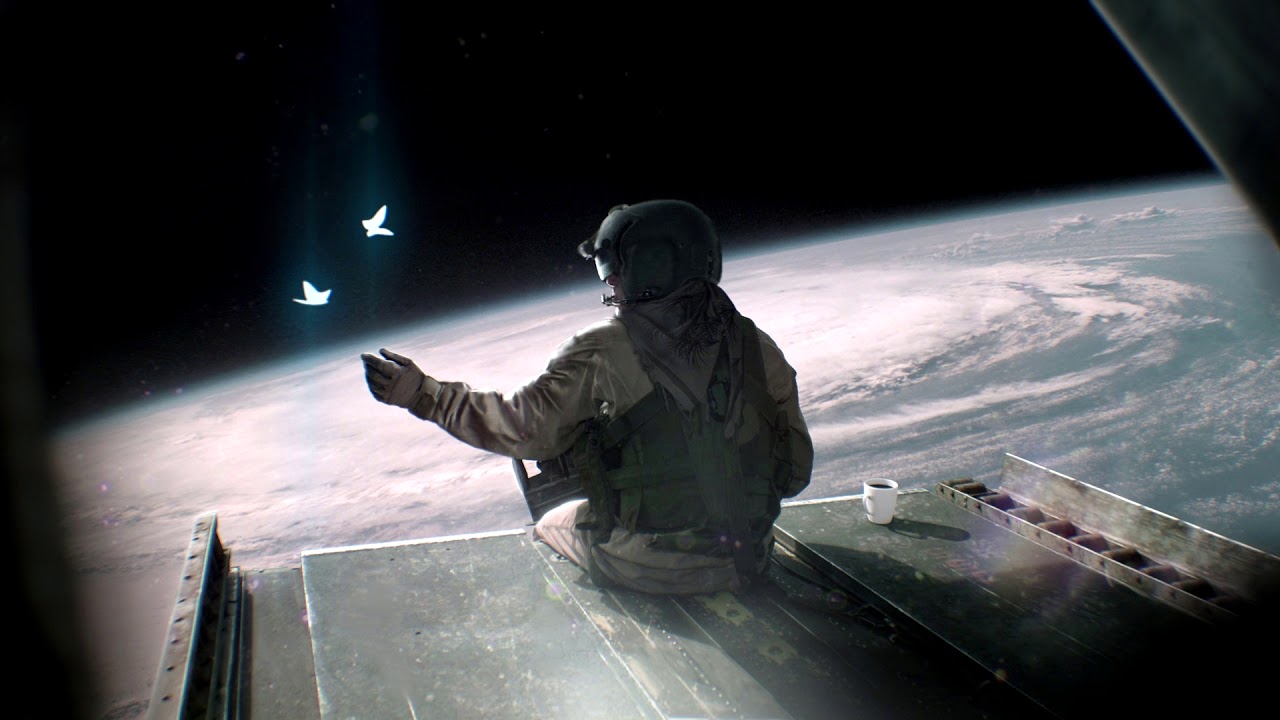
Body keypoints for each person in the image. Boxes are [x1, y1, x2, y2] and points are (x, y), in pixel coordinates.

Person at [361, 199, 813, 594]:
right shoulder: (759, 346)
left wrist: (423, 395)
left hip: (653, 568)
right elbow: (795, 474)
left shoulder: (603, 347)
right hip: (750, 558)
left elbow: (522, 429)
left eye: (614, 267)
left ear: (649, 265)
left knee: (548, 525)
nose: (610, 281)